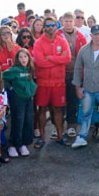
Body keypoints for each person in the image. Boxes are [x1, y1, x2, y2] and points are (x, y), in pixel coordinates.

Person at [32, 17, 72, 146]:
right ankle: (42, 138)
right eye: (48, 25)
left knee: (58, 110)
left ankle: (60, 136)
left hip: (58, 83)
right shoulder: (38, 43)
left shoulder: (62, 41)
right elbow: (40, 62)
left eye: (52, 25)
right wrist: (57, 60)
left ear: (56, 26)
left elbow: (67, 59)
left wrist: (49, 58)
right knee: (42, 110)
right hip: (43, 83)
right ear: (44, 27)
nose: (50, 28)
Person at [3, 48, 38, 157]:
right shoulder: (14, 70)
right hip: (17, 99)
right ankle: (13, 145)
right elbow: (2, 77)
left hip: (28, 98)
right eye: (21, 57)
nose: (23, 59)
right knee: (18, 121)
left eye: (25, 56)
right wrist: (10, 89)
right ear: (17, 59)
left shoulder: (30, 69)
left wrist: (32, 90)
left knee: (28, 121)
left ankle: (23, 144)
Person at [60, 12, 89, 139]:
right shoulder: (58, 34)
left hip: (75, 72)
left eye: (70, 21)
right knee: (60, 101)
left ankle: (71, 125)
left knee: (73, 100)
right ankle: (58, 126)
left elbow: (85, 54)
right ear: (62, 21)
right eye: (66, 21)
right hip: (60, 72)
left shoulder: (80, 35)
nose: (68, 24)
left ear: (74, 21)